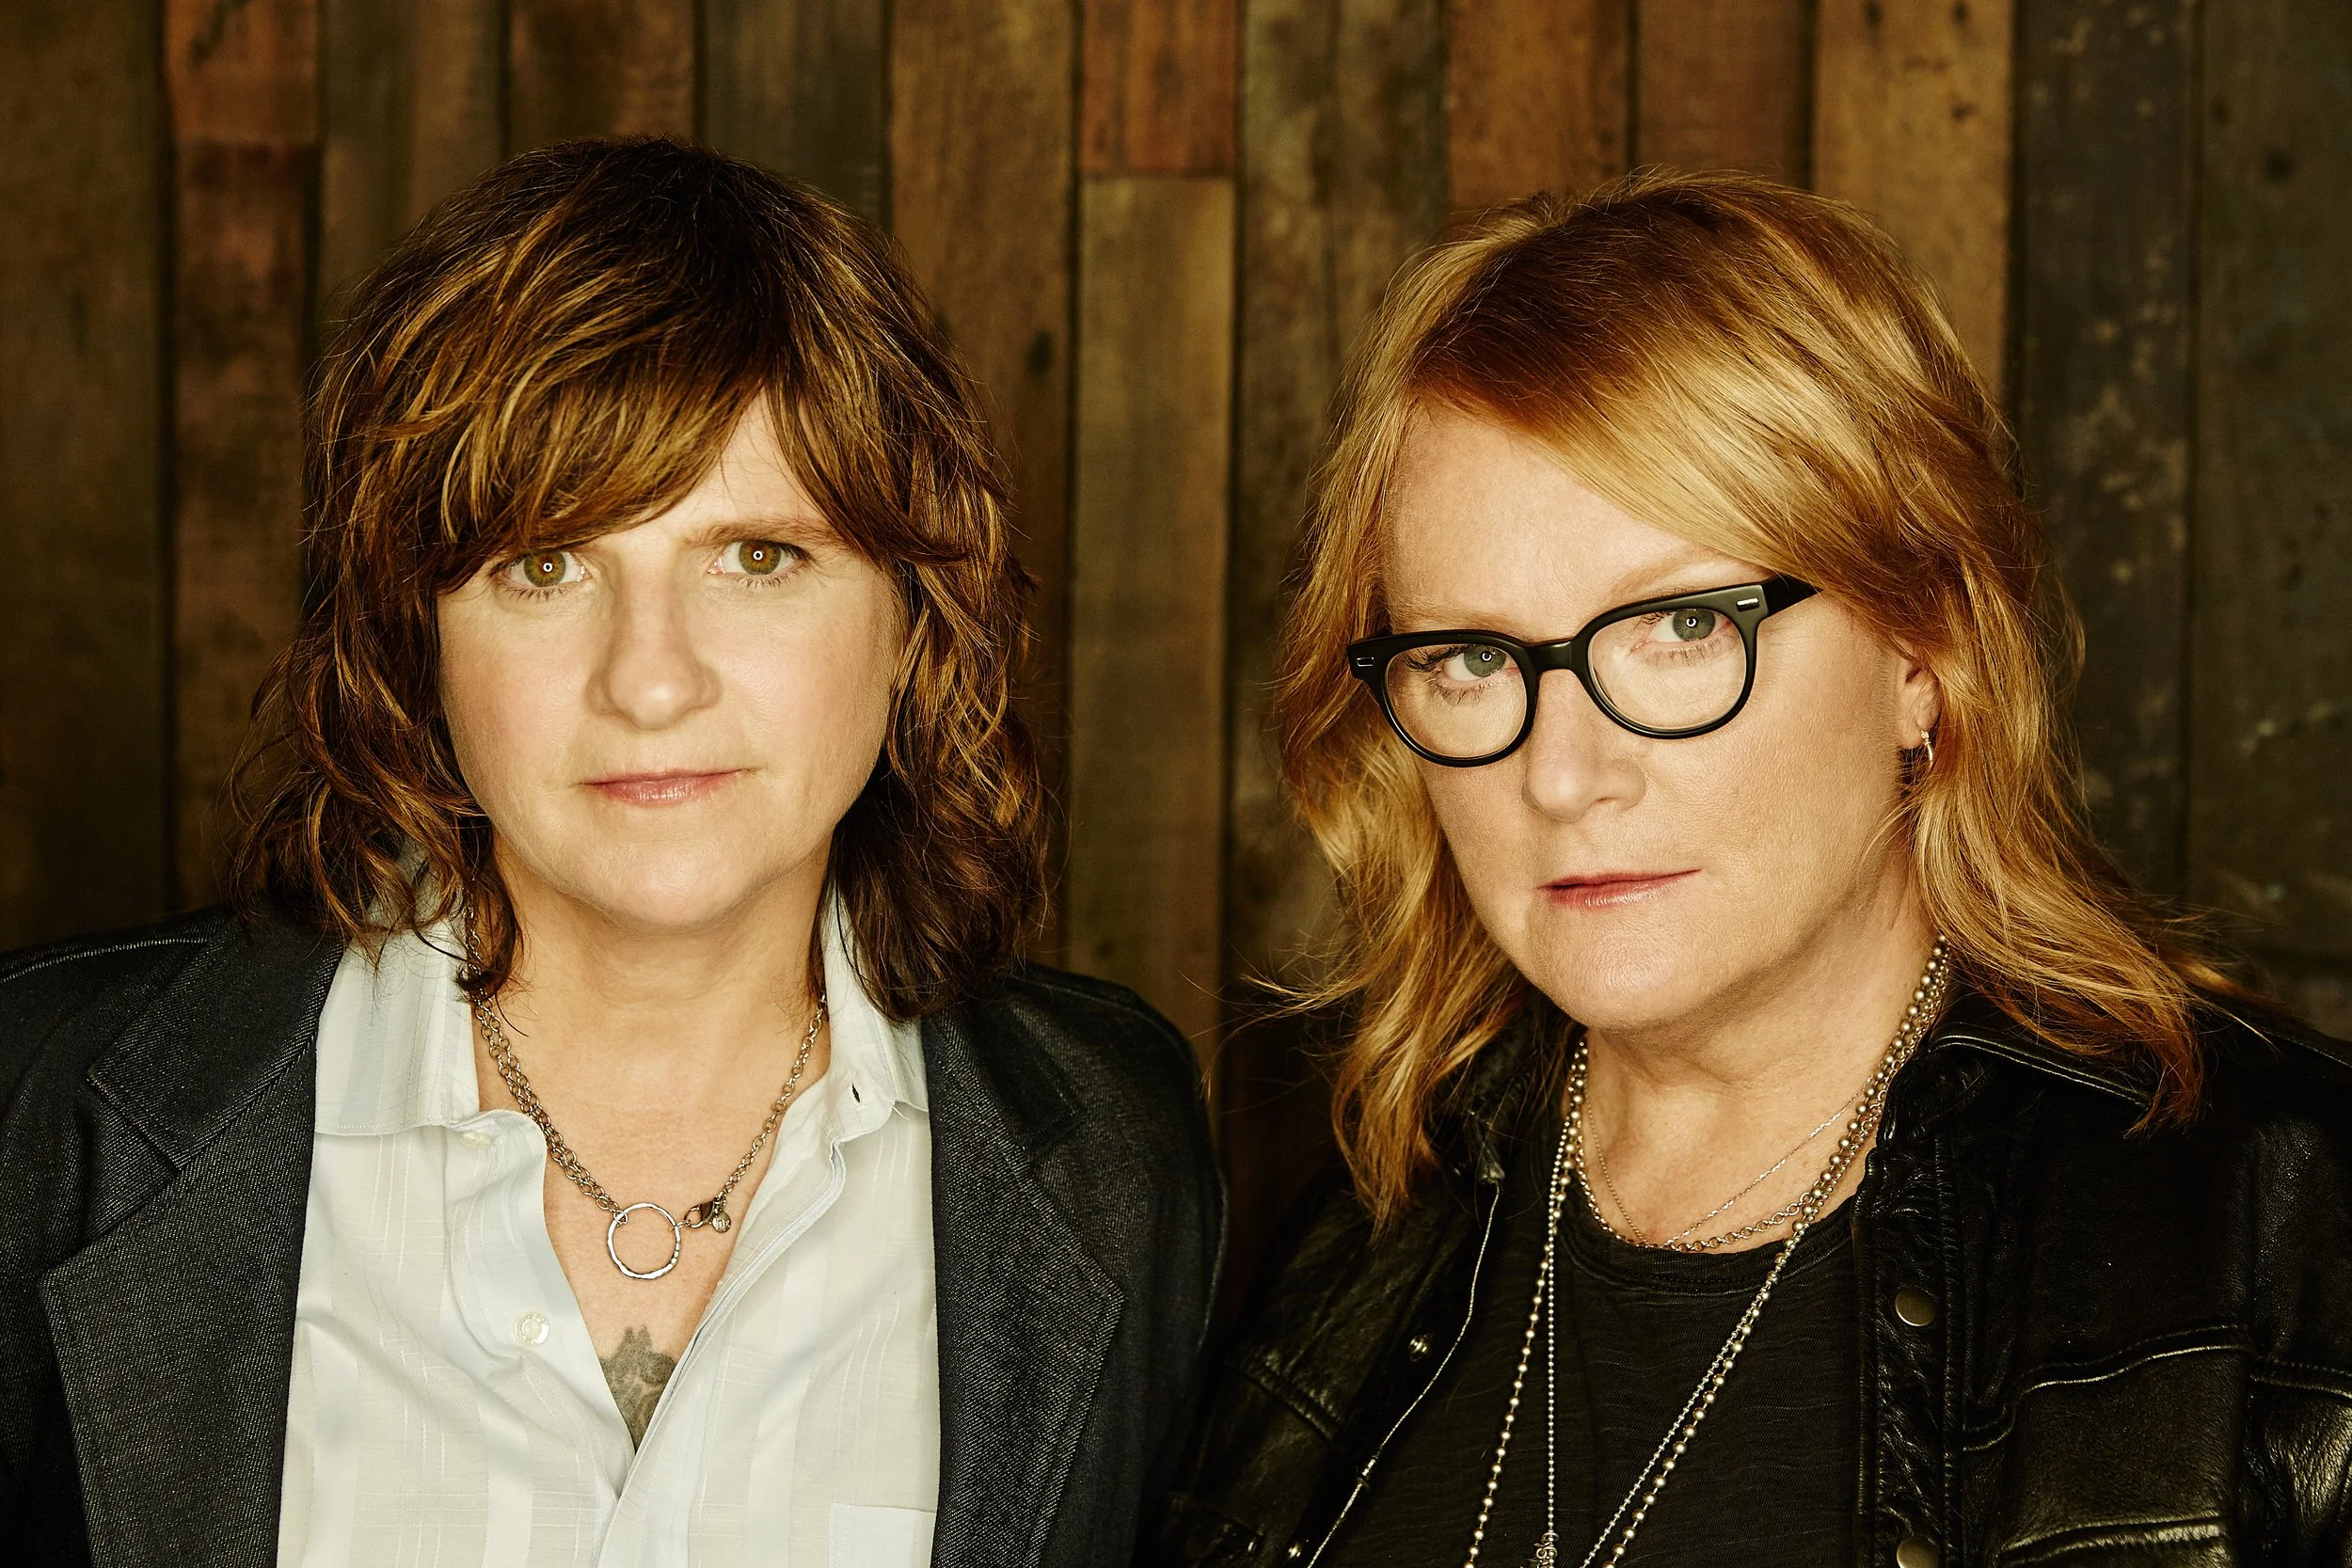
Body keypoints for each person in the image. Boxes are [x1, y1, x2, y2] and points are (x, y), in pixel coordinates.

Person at [0, 137, 1220, 1568]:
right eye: (546, 563)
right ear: (414, 639)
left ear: (910, 618)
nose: (650, 680)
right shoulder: (37, 1111)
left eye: (757, 556)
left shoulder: (1117, 1148)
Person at [1155, 171, 2352, 1568]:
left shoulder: (2288, 1235)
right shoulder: (1359, 1232)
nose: (1563, 774)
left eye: (1679, 628)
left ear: (1923, 654)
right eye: (1471, 657)